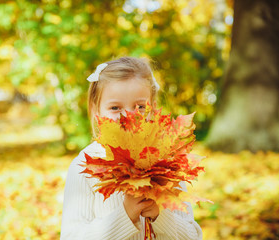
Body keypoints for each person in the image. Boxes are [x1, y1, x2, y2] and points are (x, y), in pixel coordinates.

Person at [60, 57, 202, 240]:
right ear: (97, 112)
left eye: (140, 106)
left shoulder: (167, 162)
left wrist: (161, 216)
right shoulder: (85, 167)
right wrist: (124, 216)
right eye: (115, 107)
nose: (128, 116)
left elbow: (193, 237)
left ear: (154, 108)